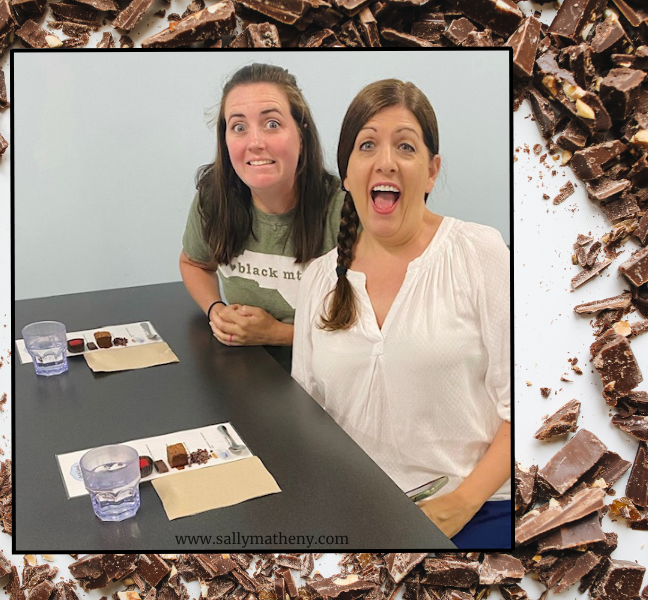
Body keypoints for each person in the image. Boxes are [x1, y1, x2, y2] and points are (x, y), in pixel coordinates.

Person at [292, 79, 511, 548]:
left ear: (431, 172)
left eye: (405, 146)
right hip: (355, 517)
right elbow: (306, 422)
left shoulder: (480, 253)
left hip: (475, 512)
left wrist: (461, 503)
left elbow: (527, 408)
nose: (385, 160)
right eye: (367, 144)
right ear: (347, 173)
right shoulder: (316, 280)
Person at [180, 63, 344, 372]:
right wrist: (215, 309)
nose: (255, 142)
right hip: (246, 373)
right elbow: (193, 263)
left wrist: (279, 334)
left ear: (302, 132)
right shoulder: (214, 199)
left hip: (331, 378)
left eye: (271, 124)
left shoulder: (344, 210)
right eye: (239, 127)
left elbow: (377, 327)